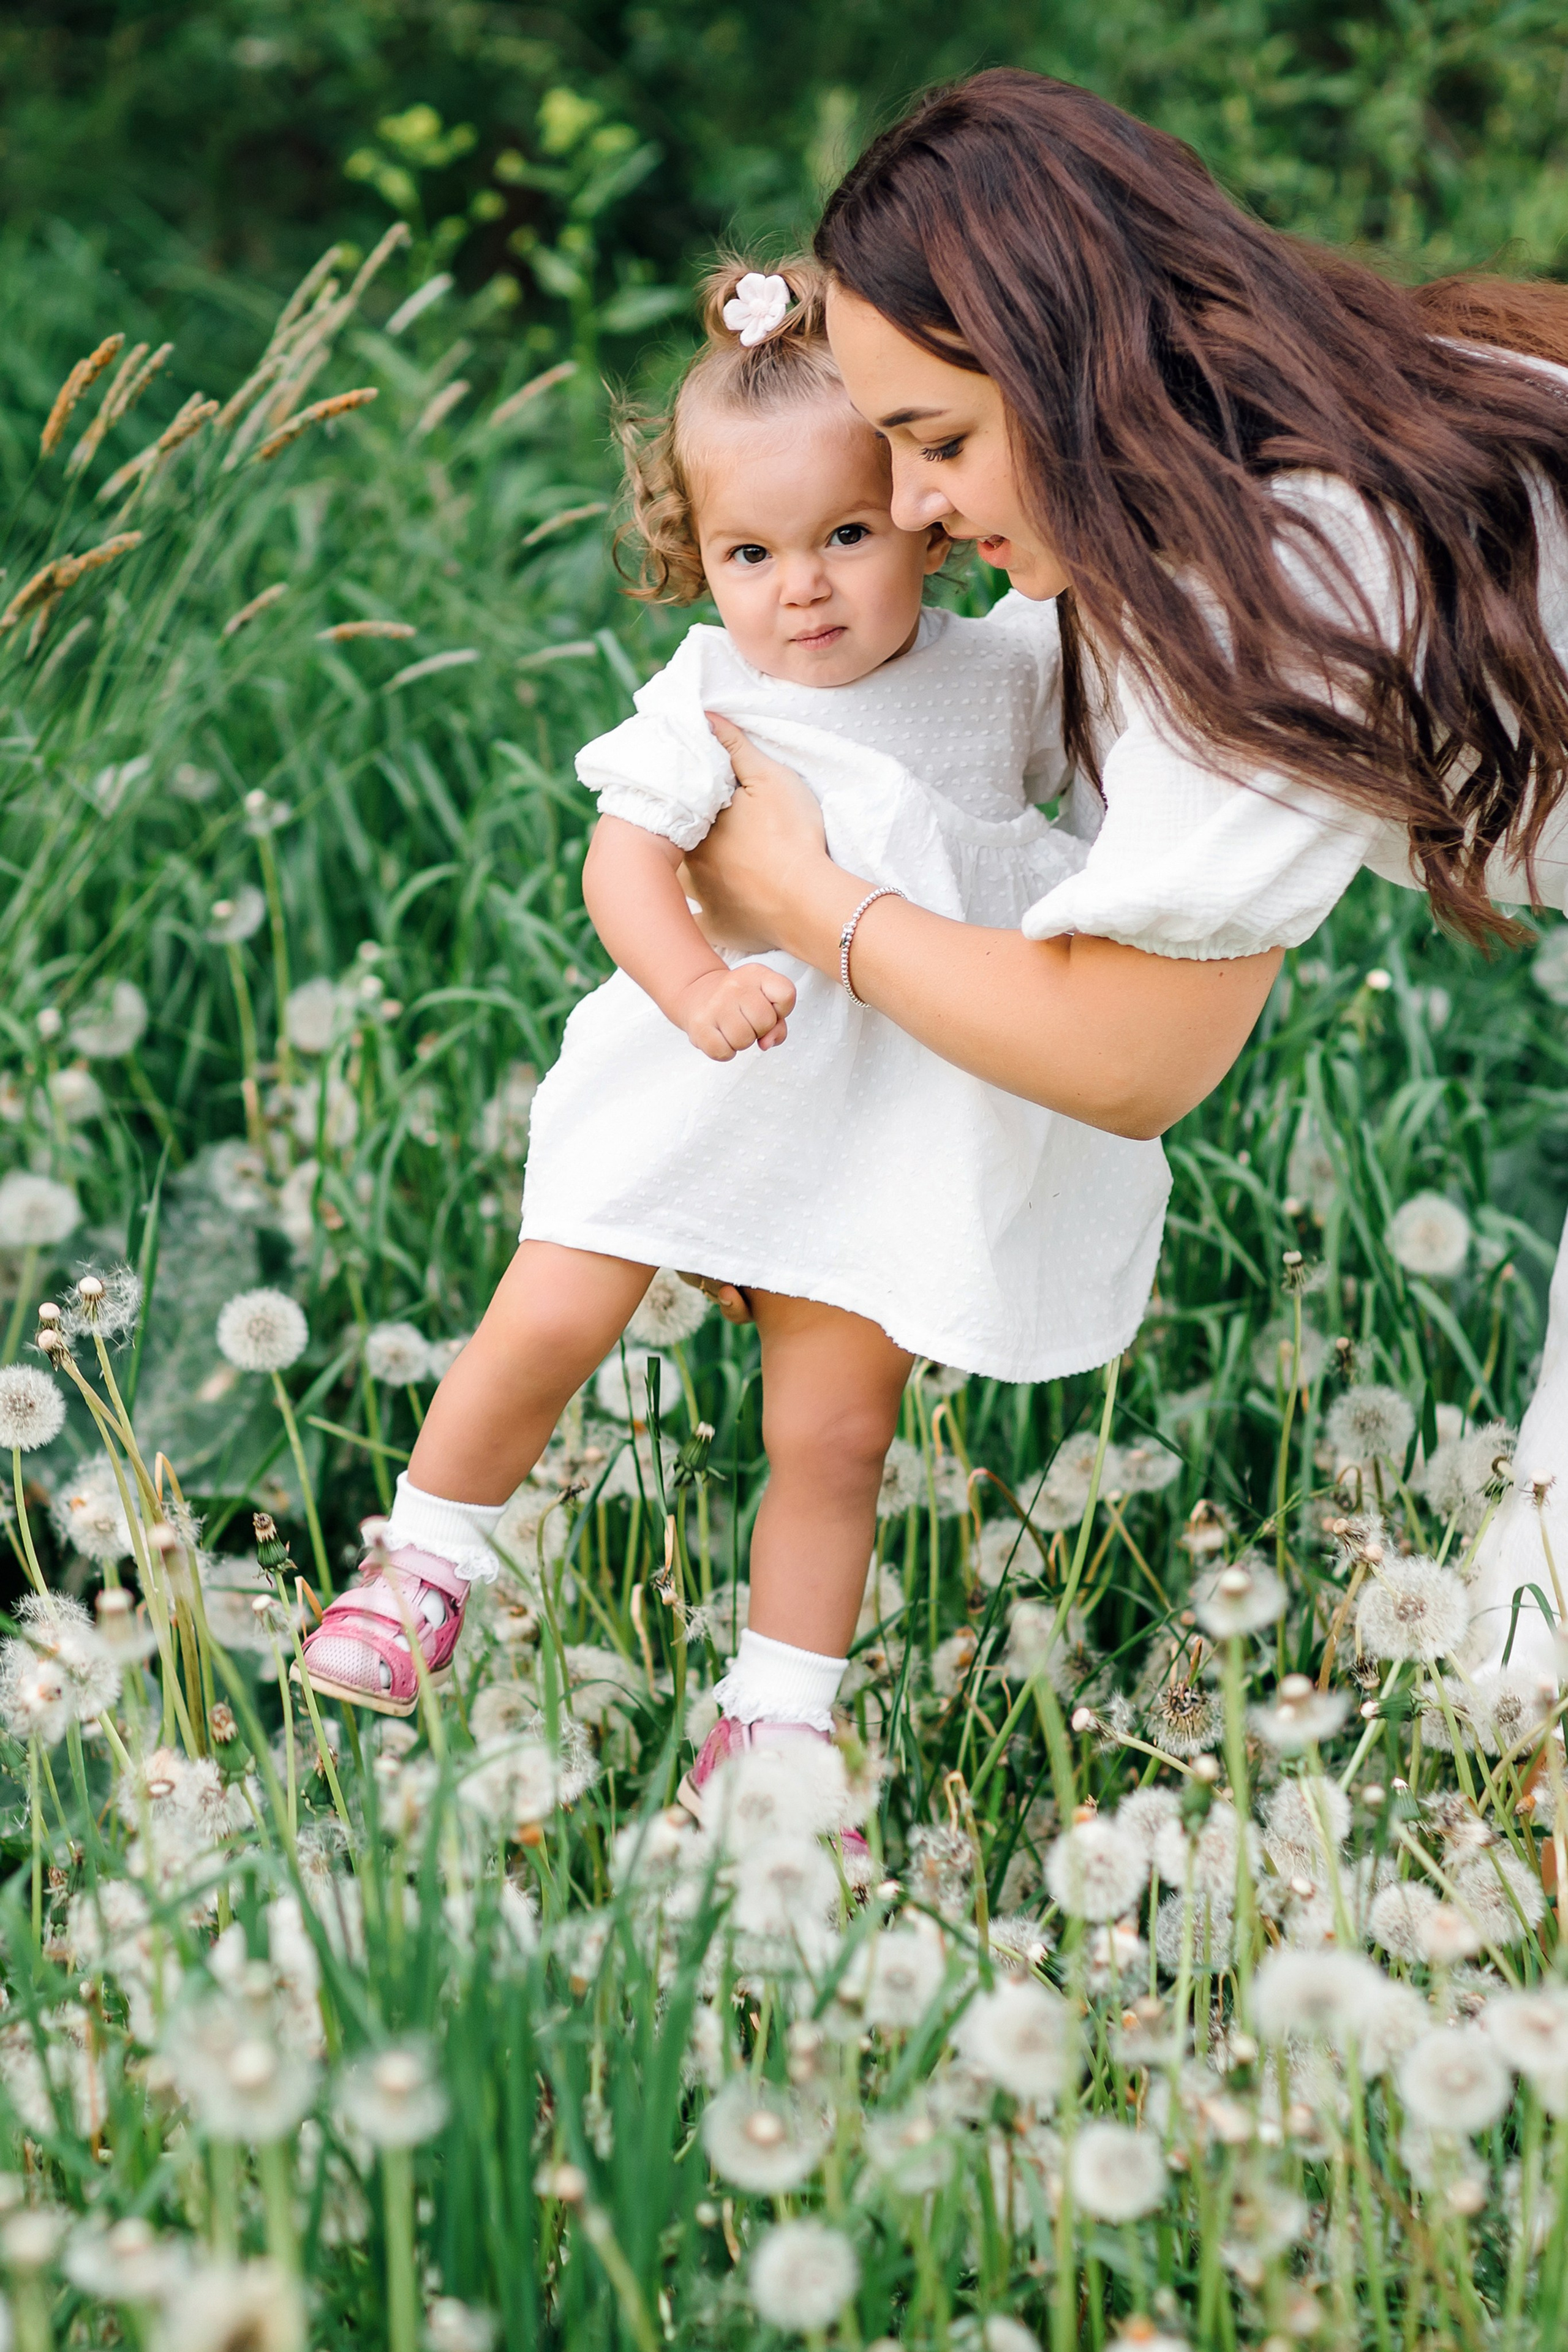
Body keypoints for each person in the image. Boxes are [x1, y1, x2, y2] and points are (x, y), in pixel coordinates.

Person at [677, 70, 1568, 1684]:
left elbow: (1125, 1054)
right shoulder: (1274, 467)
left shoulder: (1295, 563)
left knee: (1545, 1643)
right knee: (1539, 1641)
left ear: (1068, 366)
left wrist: (802, 899)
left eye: (936, 440)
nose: (912, 506)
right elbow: (991, 838)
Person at [298, 256, 1170, 1814]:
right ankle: (425, 1552)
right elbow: (622, 860)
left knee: (833, 1434)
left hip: (890, 1117)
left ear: (919, 514)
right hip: (703, 1078)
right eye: (750, 551)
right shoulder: (708, 691)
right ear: (691, 562)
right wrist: (694, 989)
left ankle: (776, 1725)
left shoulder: (1004, 682)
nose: (804, 588)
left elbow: (1125, 697)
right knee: (555, 1305)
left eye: (843, 535)